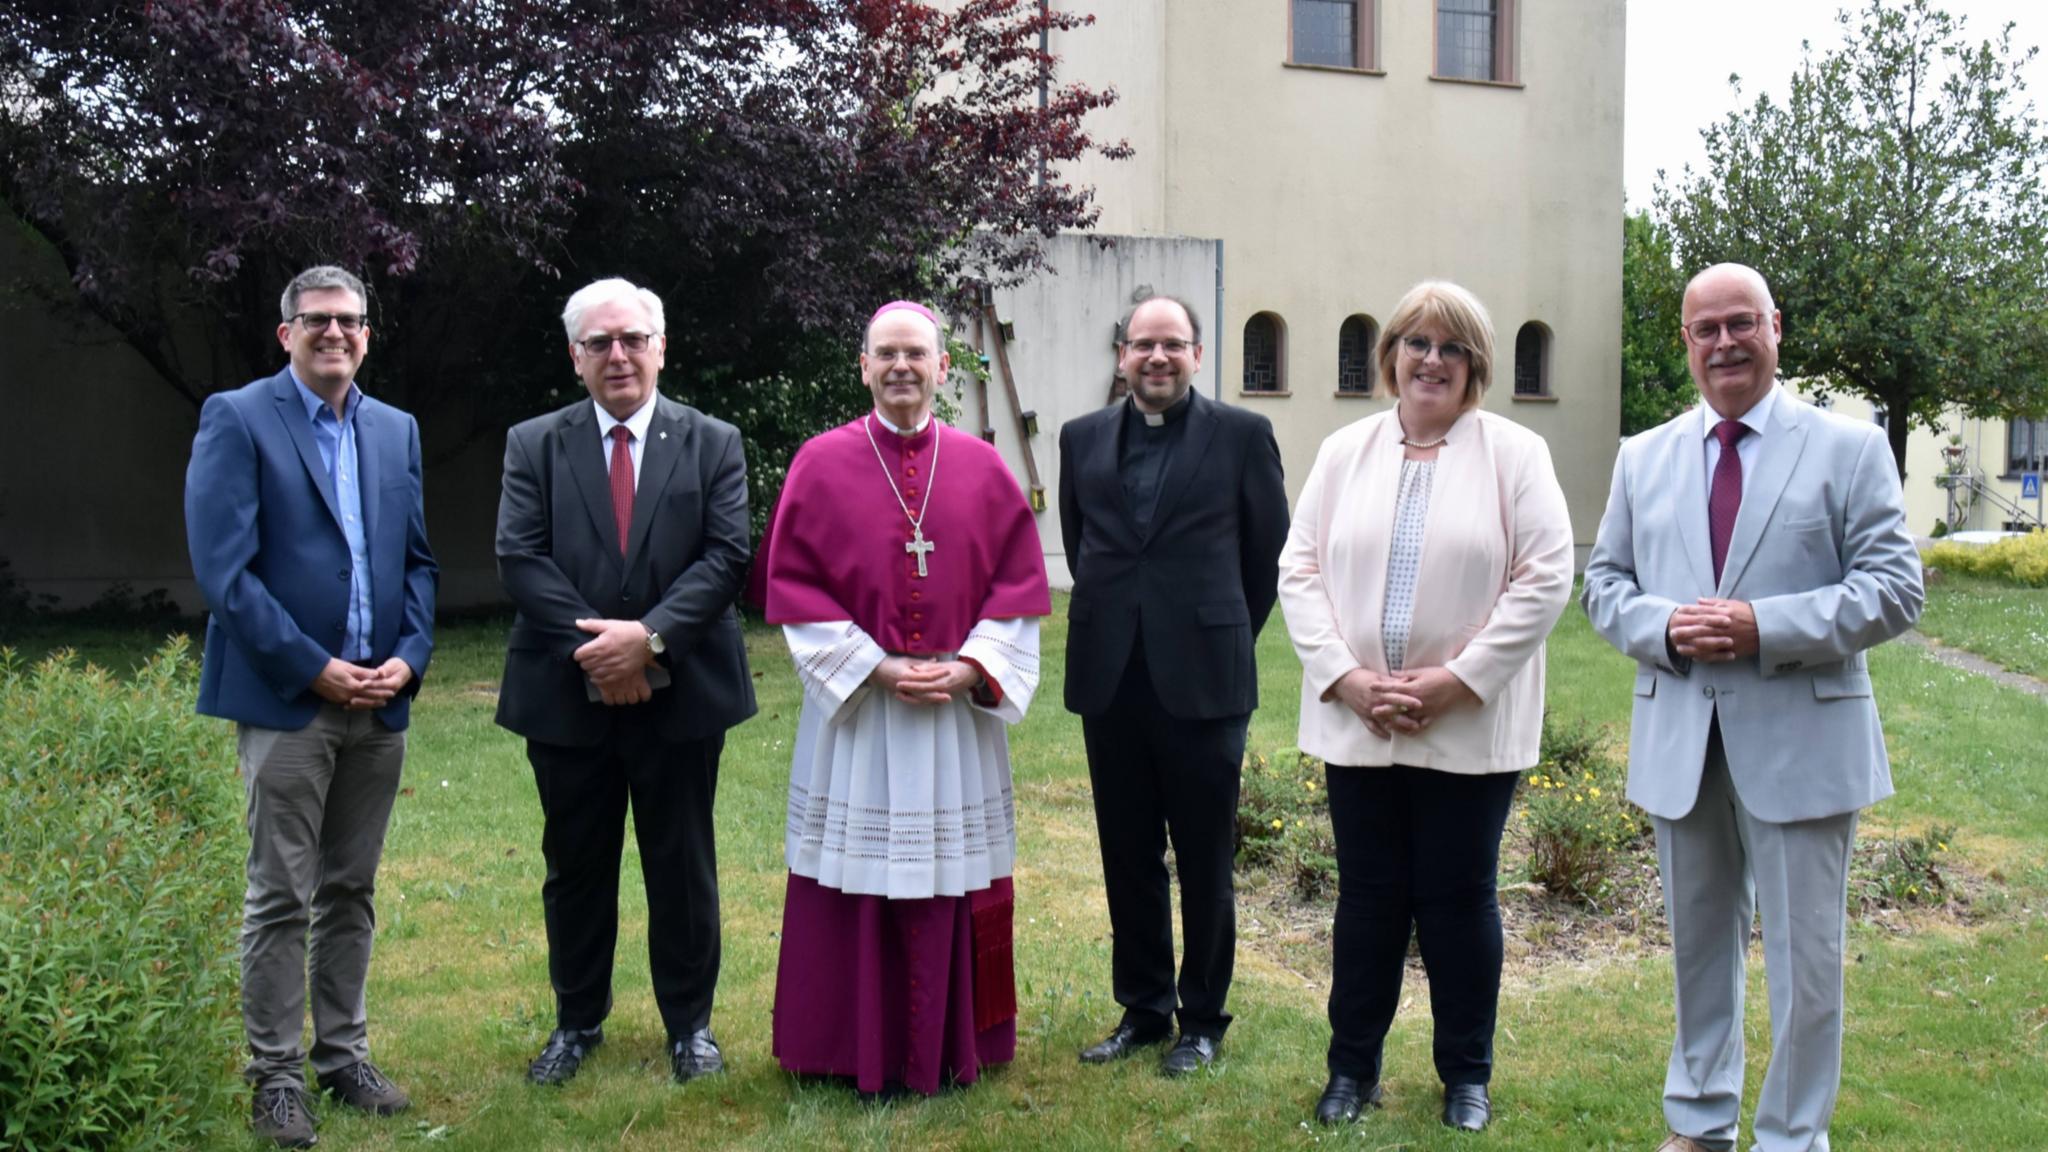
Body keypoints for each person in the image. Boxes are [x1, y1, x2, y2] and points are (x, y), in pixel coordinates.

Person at [1583, 263, 1923, 1152]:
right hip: (1682, 742)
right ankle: (1699, 1123)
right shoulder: (1642, 455)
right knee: (1700, 955)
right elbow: (1606, 587)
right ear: (1687, 344)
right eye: (1707, 329)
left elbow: (1894, 589)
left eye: (1743, 323)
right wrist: (1667, 627)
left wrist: (1761, 627)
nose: (1725, 342)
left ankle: (1792, 1137)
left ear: (1776, 328)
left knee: (1807, 971)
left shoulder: (1849, 448)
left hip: (1804, 742)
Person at [1277, 280, 1573, 1132]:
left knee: (1458, 898)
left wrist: (1459, 680)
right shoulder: (1343, 452)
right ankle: (1351, 1071)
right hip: (1358, 717)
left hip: (1469, 721)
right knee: (1368, 899)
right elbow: (1298, 572)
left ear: (1474, 366)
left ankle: (1465, 1077)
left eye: (1450, 348)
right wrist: (1346, 677)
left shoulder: (1516, 455)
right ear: (1391, 356)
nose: (1431, 360)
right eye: (1416, 343)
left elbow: (1546, 577)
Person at [755, 300, 1051, 1095]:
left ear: (942, 368)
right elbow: (794, 590)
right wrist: (876, 667)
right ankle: (848, 1045)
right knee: (852, 875)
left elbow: (1019, 594)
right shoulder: (818, 463)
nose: (901, 368)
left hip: (955, 714)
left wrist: (970, 667)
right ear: (863, 367)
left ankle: (956, 1044)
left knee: (952, 874)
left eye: (916, 354)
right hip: (864, 712)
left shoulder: (986, 468)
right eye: (885, 354)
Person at [186, 265, 438, 1147]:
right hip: (290, 700)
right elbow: (226, 575)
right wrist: (316, 667)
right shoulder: (240, 417)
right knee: (280, 893)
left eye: (352, 321)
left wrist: (407, 660)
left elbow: (416, 564)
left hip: (380, 701)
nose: (336, 333)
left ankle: (342, 1056)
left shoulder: (395, 429)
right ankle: (276, 1078)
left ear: (369, 334)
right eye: (318, 320)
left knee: (351, 888)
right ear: (285, 332)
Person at [494, 277, 756, 1088]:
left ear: (661, 347)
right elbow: (520, 557)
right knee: (576, 865)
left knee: (682, 865)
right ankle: (577, 1023)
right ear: (576, 356)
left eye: (634, 339)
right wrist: (602, 656)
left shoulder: (712, 441)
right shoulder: (534, 443)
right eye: (601, 342)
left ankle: (691, 1028)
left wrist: (647, 642)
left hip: (681, 692)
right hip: (565, 695)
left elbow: (726, 555)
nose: (619, 355)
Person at [1059, 294, 1289, 1077]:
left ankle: (1204, 1019)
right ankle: (1144, 1009)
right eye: (1143, 345)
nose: (1157, 358)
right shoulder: (1081, 437)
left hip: (1204, 682)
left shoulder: (1243, 437)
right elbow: (1080, 538)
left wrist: (1216, 632)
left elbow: (1266, 558)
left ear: (1197, 354)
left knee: (1202, 858)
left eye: (1173, 345)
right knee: (1127, 853)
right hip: (1111, 678)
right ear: (1122, 354)